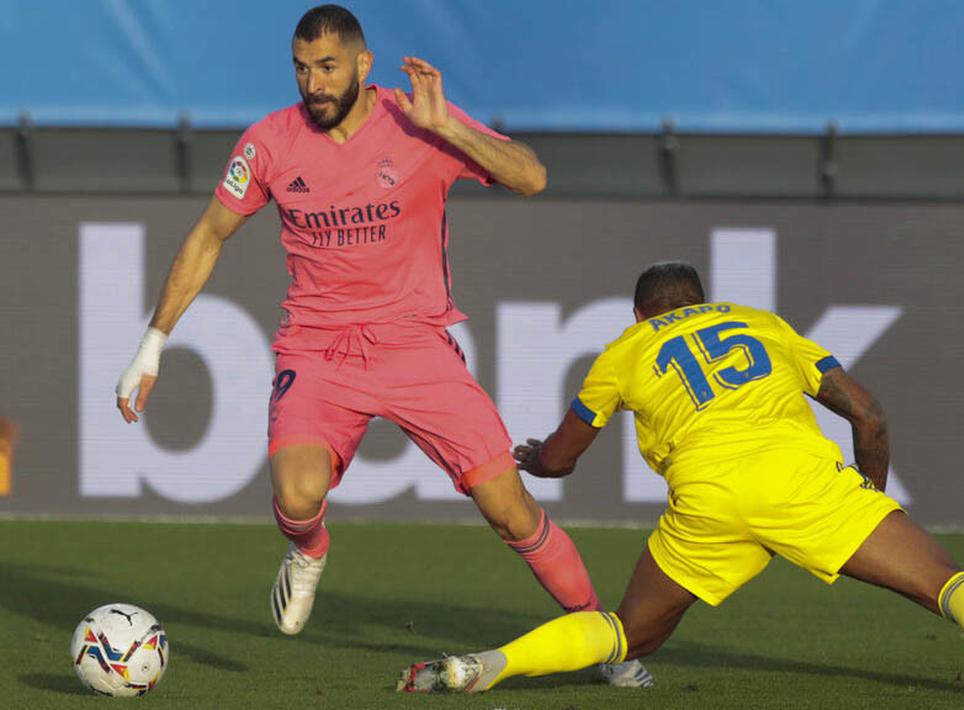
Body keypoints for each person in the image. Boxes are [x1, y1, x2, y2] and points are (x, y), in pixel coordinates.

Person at [113, 3, 649, 687]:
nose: (314, 84)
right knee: (297, 494)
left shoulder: (416, 122)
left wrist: (447, 123)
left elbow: (531, 177)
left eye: (328, 67)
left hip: (414, 345)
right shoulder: (269, 143)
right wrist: (153, 344)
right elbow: (209, 234)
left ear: (363, 67)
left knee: (509, 508)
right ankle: (308, 551)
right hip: (317, 348)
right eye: (302, 69)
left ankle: (600, 638)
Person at [400, 261, 964, 706]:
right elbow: (868, 413)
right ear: (703, 299)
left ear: (638, 313)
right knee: (944, 584)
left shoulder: (624, 351)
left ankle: (484, 665)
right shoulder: (761, 324)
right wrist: (869, 497)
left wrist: (532, 459)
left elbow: (562, 459)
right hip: (802, 485)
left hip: (710, 500)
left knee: (629, 633)